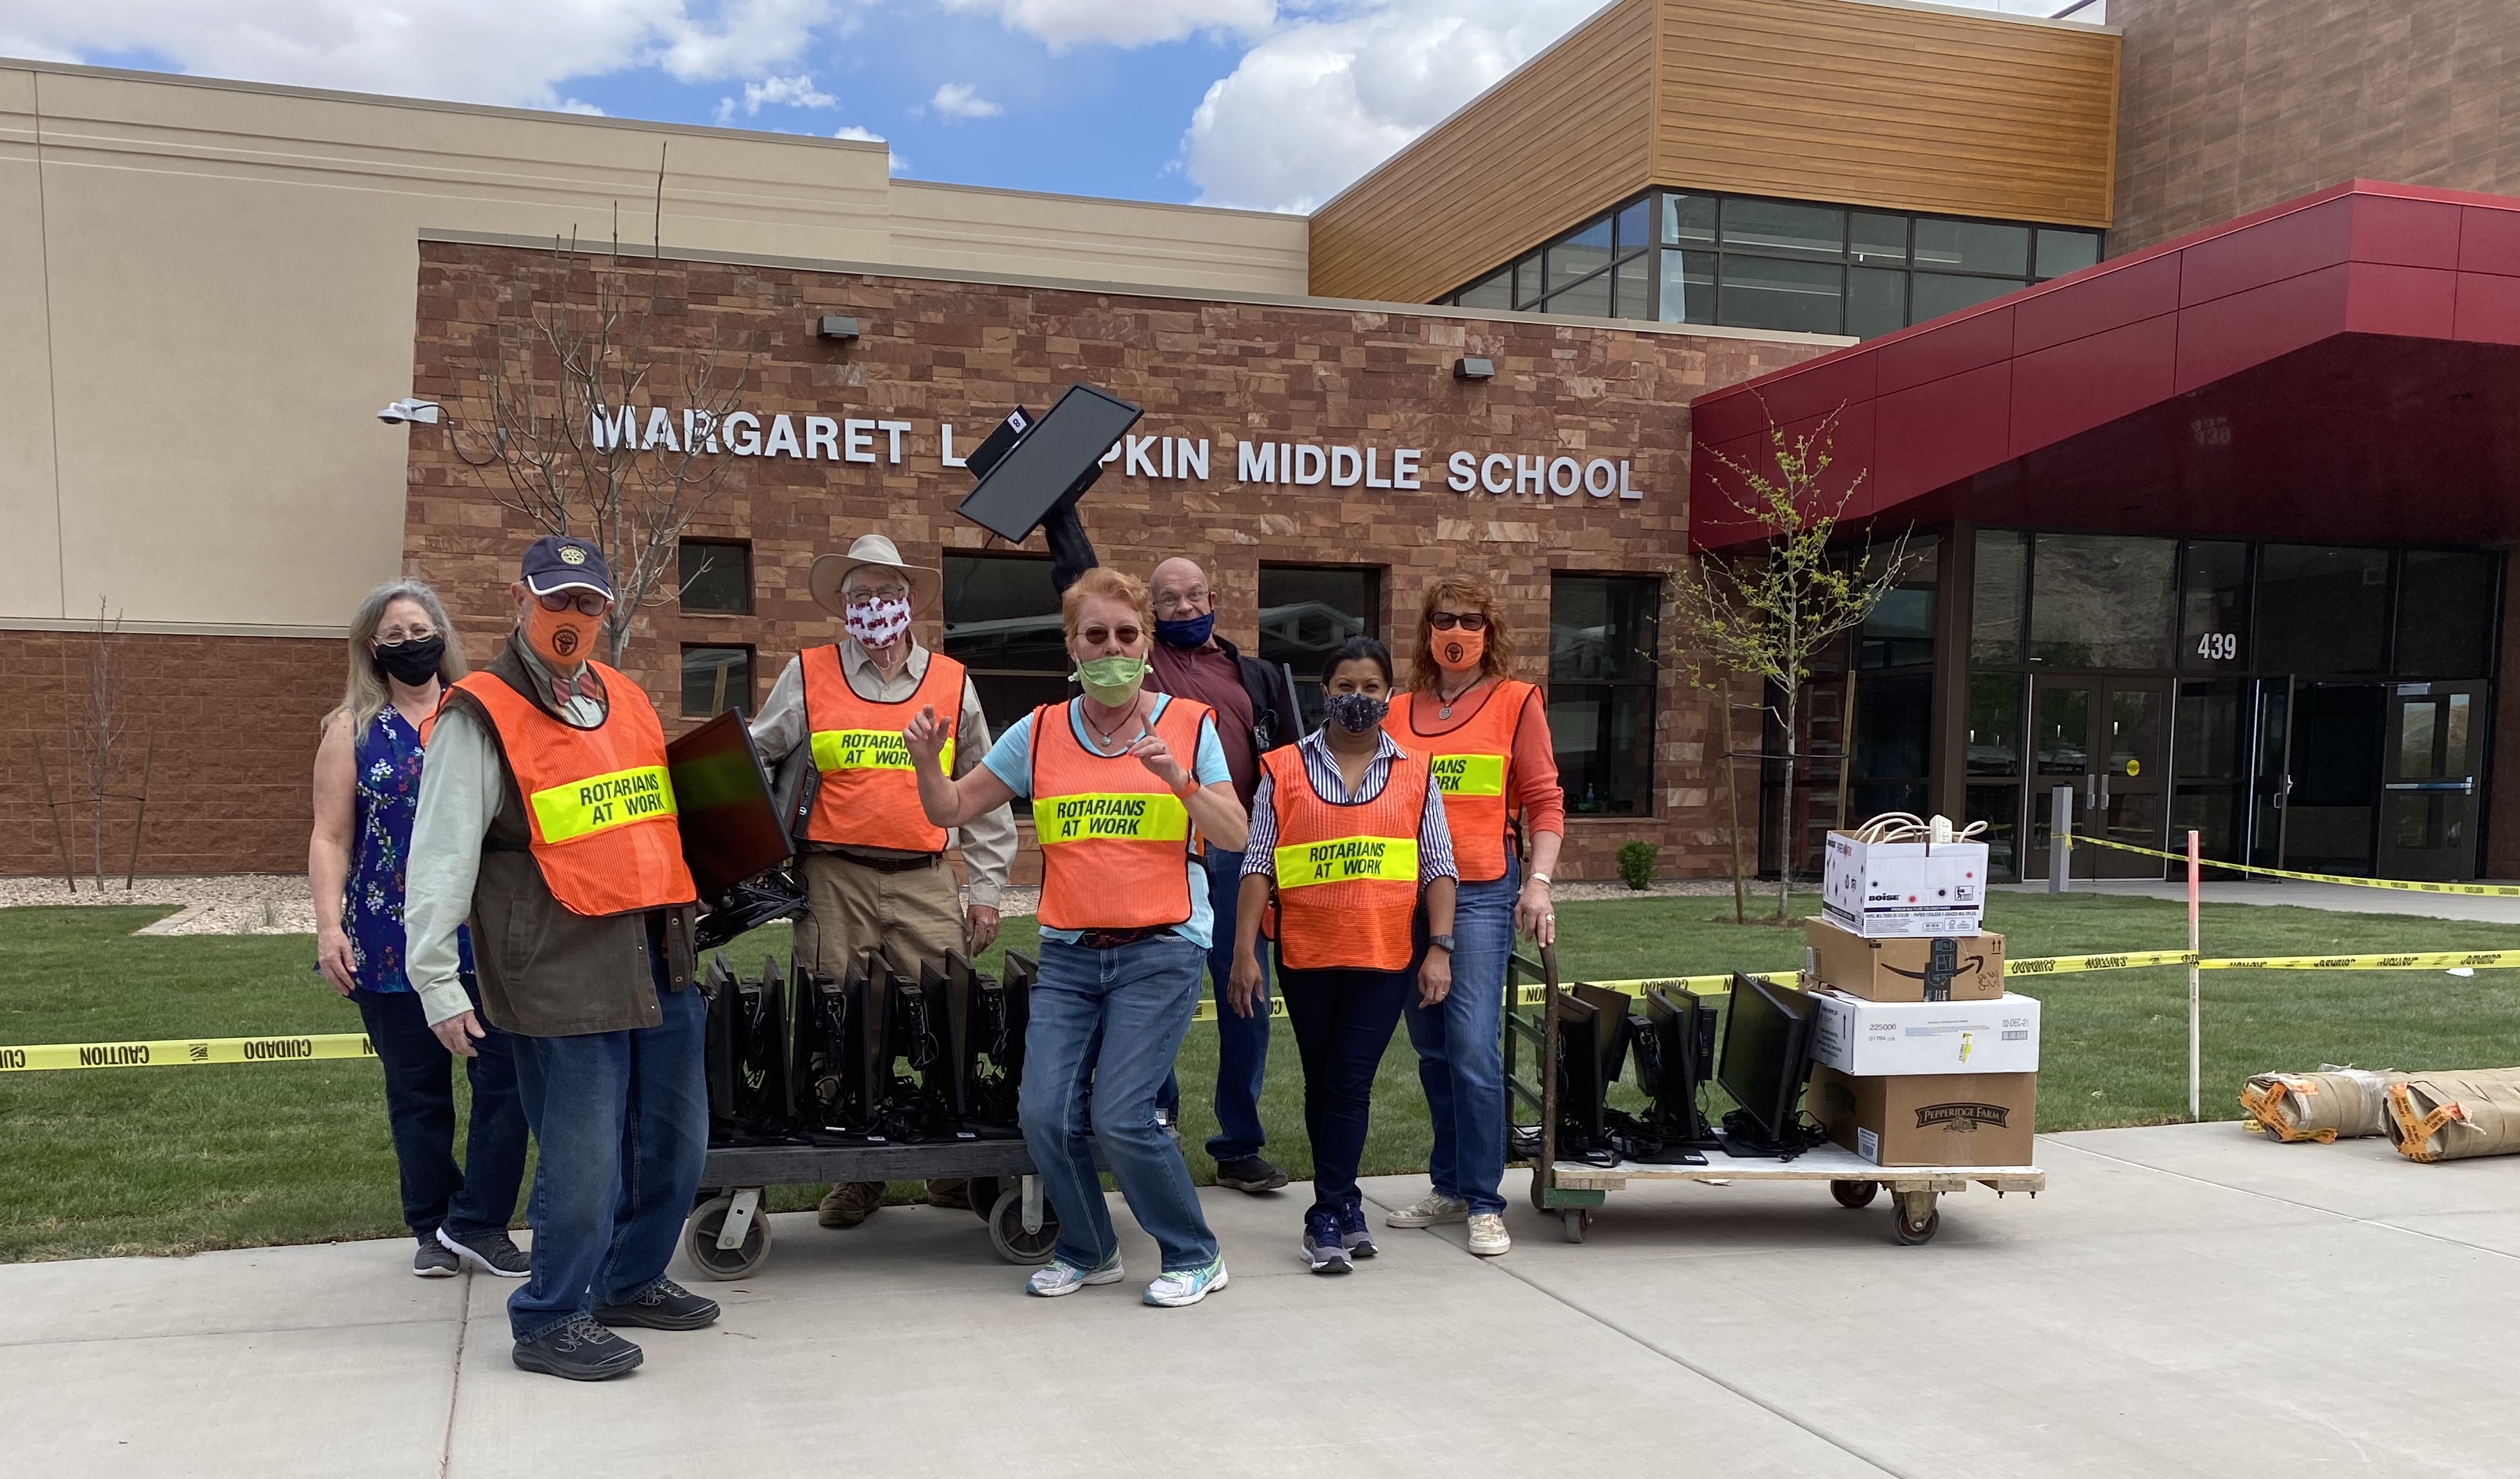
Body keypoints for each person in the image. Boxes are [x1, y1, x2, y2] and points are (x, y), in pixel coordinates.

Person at [405, 535, 719, 1382]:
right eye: (556, 601)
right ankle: (550, 1315)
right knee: (583, 1159)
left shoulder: (623, 697)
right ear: (521, 601)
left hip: (656, 954)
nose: (571, 618)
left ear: (607, 611)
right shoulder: (481, 710)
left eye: (587, 603)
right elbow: (440, 854)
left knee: (678, 1144)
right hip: (556, 965)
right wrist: (435, 977)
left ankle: (628, 1279)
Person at [904, 567, 1246, 1307]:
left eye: (1126, 634)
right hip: (1068, 952)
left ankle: (1194, 1251)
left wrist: (1180, 782)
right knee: (1042, 1111)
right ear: (1072, 644)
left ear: (1146, 643)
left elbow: (1234, 832)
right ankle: (1089, 1248)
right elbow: (954, 807)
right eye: (1096, 635)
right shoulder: (1040, 730)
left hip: (1160, 949)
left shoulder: (1188, 723)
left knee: (1120, 1113)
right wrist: (926, 762)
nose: (1112, 648)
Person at [749, 531, 1017, 1228]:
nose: (875, 607)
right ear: (842, 605)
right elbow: (758, 749)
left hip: (924, 874)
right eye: (860, 594)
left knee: (948, 1011)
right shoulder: (807, 672)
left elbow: (986, 788)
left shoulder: (952, 681)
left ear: (910, 602)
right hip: (832, 874)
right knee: (840, 1023)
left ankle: (947, 1165)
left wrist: (985, 891)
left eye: (887, 594)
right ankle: (854, 1174)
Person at [308, 579, 529, 1281]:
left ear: (442, 633)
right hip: (388, 938)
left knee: (507, 1079)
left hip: (484, 937)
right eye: (392, 635)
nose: (409, 643)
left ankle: (480, 1219)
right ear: (371, 649)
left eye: (418, 628)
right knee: (418, 1091)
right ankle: (431, 1221)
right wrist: (326, 928)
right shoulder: (351, 728)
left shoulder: (482, 715)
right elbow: (331, 837)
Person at [1228, 637, 1456, 1275]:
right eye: (1346, 687)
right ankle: (1344, 1203)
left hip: (1385, 956)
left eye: (1372, 688)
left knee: (1350, 1081)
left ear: (1390, 694)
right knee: (1322, 1077)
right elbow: (1256, 866)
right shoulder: (1282, 768)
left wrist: (1439, 948)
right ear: (1323, 692)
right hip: (1306, 954)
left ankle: (1326, 1212)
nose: (1358, 699)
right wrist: (1244, 951)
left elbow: (1439, 866)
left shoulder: (1416, 770)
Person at [1379, 576, 1565, 1258]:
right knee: (1430, 1046)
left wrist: (1537, 883)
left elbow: (1545, 801)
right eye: (1442, 619)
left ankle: (1487, 1202)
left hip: (1485, 890)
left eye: (1469, 620)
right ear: (1426, 630)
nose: (1455, 632)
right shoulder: (1397, 710)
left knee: (1471, 1046)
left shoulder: (1517, 703)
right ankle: (1451, 1182)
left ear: (1490, 632)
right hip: (1408, 894)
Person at [1145, 556, 1303, 1194]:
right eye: (1167, 600)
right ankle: (1157, 1122)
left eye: (1191, 597)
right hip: (1163, 850)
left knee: (1246, 995)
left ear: (1214, 596)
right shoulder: (1141, 664)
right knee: (1151, 993)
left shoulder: (1257, 676)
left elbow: (1292, 765)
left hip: (1241, 852)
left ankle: (1238, 1145)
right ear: (1149, 610)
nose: (1182, 609)